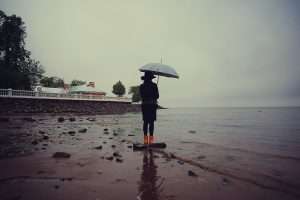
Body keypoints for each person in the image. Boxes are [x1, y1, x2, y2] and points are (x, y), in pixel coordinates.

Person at [140, 71, 159, 145]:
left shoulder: (141, 86)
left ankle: (145, 140)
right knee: (151, 123)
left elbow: (142, 96)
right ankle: (151, 140)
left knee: (145, 122)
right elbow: (157, 96)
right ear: (151, 78)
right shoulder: (154, 85)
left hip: (144, 106)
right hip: (152, 106)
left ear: (145, 78)